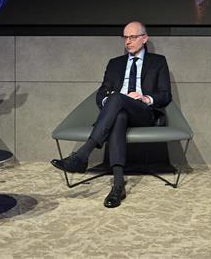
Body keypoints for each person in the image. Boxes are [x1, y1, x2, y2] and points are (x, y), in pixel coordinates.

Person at [51, 21, 171, 208]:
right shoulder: (115, 64)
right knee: (118, 114)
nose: (128, 41)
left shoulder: (158, 62)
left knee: (117, 99)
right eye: (125, 37)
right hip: (119, 111)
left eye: (132, 37)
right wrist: (112, 103)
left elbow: (165, 95)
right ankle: (117, 186)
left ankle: (83, 155)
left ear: (144, 38)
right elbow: (101, 93)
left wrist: (145, 98)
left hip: (143, 113)